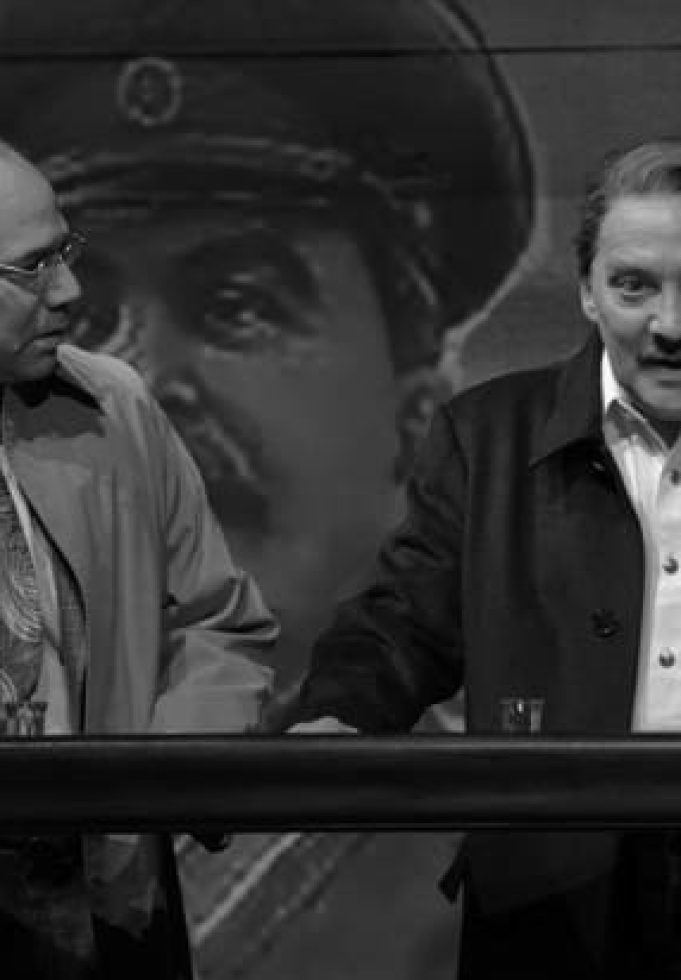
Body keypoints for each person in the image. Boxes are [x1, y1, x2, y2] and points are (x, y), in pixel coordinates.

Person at [0, 1, 534, 975]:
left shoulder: (489, 855)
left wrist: (179, 771)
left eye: (237, 300)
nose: (153, 372)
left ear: (418, 396)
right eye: (90, 300)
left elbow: (216, 621)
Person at [289, 136, 681, 979]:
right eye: (634, 285)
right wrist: (338, 717)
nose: (670, 324)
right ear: (586, 293)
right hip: (552, 896)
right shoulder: (487, 437)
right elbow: (404, 625)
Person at [0, 138, 277, 979]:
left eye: (66, 253)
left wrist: (160, 787)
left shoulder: (115, 407)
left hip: (107, 902)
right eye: (33, 267)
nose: (70, 291)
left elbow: (219, 623)